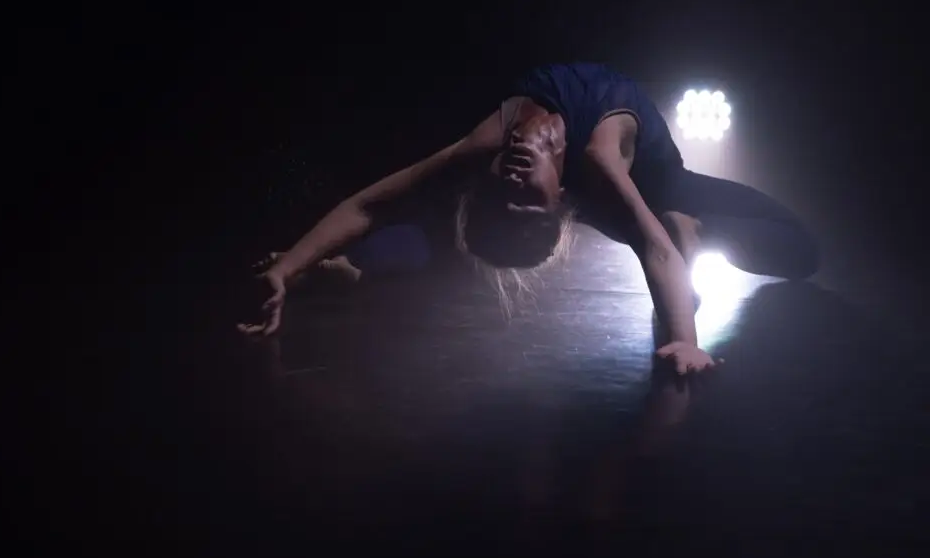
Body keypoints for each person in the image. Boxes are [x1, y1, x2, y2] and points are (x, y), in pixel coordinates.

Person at [239, 63, 819, 374]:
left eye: (501, 195)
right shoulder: (595, 163)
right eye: (527, 202)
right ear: (561, 199)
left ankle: (354, 269)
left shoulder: (485, 147)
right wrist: (686, 343)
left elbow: (371, 204)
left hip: (655, 189)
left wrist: (287, 268)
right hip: (643, 192)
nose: (513, 183)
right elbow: (655, 250)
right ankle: (687, 225)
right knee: (791, 251)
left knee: (798, 252)